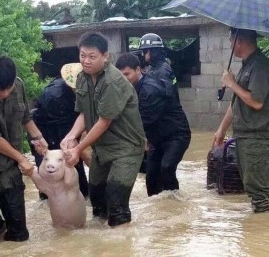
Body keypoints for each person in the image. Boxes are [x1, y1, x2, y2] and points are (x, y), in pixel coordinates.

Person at [60, 32, 145, 227]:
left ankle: (121, 245)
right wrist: (71, 136)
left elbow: (103, 122)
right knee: (97, 202)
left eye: (92, 56)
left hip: (126, 148)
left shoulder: (113, 82)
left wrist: (78, 149)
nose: (86, 61)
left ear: (105, 56)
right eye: (82, 55)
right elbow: (84, 113)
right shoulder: (82, 77)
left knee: (117, 204)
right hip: (102, 148)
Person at [0, 55, 48, 241]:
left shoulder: (18, 85)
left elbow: (25, 116)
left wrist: (37, 137)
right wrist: (22, 159)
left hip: (9, 163)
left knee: (19, 231)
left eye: (8, 88)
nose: (5, 94)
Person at [116, 53, 191, 196]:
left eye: (127, 74)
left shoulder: (149, 91)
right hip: (156, 139)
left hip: (176, 135)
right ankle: (158, 211)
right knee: (151, 176)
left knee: (167, 167)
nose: (124, 79)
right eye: (121, 76)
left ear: (138, 70)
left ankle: (175, 204)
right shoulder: (130, 87)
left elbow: (141, 122)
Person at [213, 28, 269, 213]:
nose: (230, 45)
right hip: (245, 137)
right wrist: (222, 129)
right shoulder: (247, 64)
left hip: (257, 139)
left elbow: (256, 102)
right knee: (253, 188)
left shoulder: (260, 66)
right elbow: (237, 102)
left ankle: (261, 235)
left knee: (260, 193)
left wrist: (232, 84)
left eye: (230, 41)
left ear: (239, 41)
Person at [31, 72, 89, 199]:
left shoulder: (75, 92)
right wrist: (80, 152)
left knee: (73, 169)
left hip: (63, 126)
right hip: (46, 133)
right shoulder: (56, 96)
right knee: (53, 167)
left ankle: (82, 196)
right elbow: (66, 139)